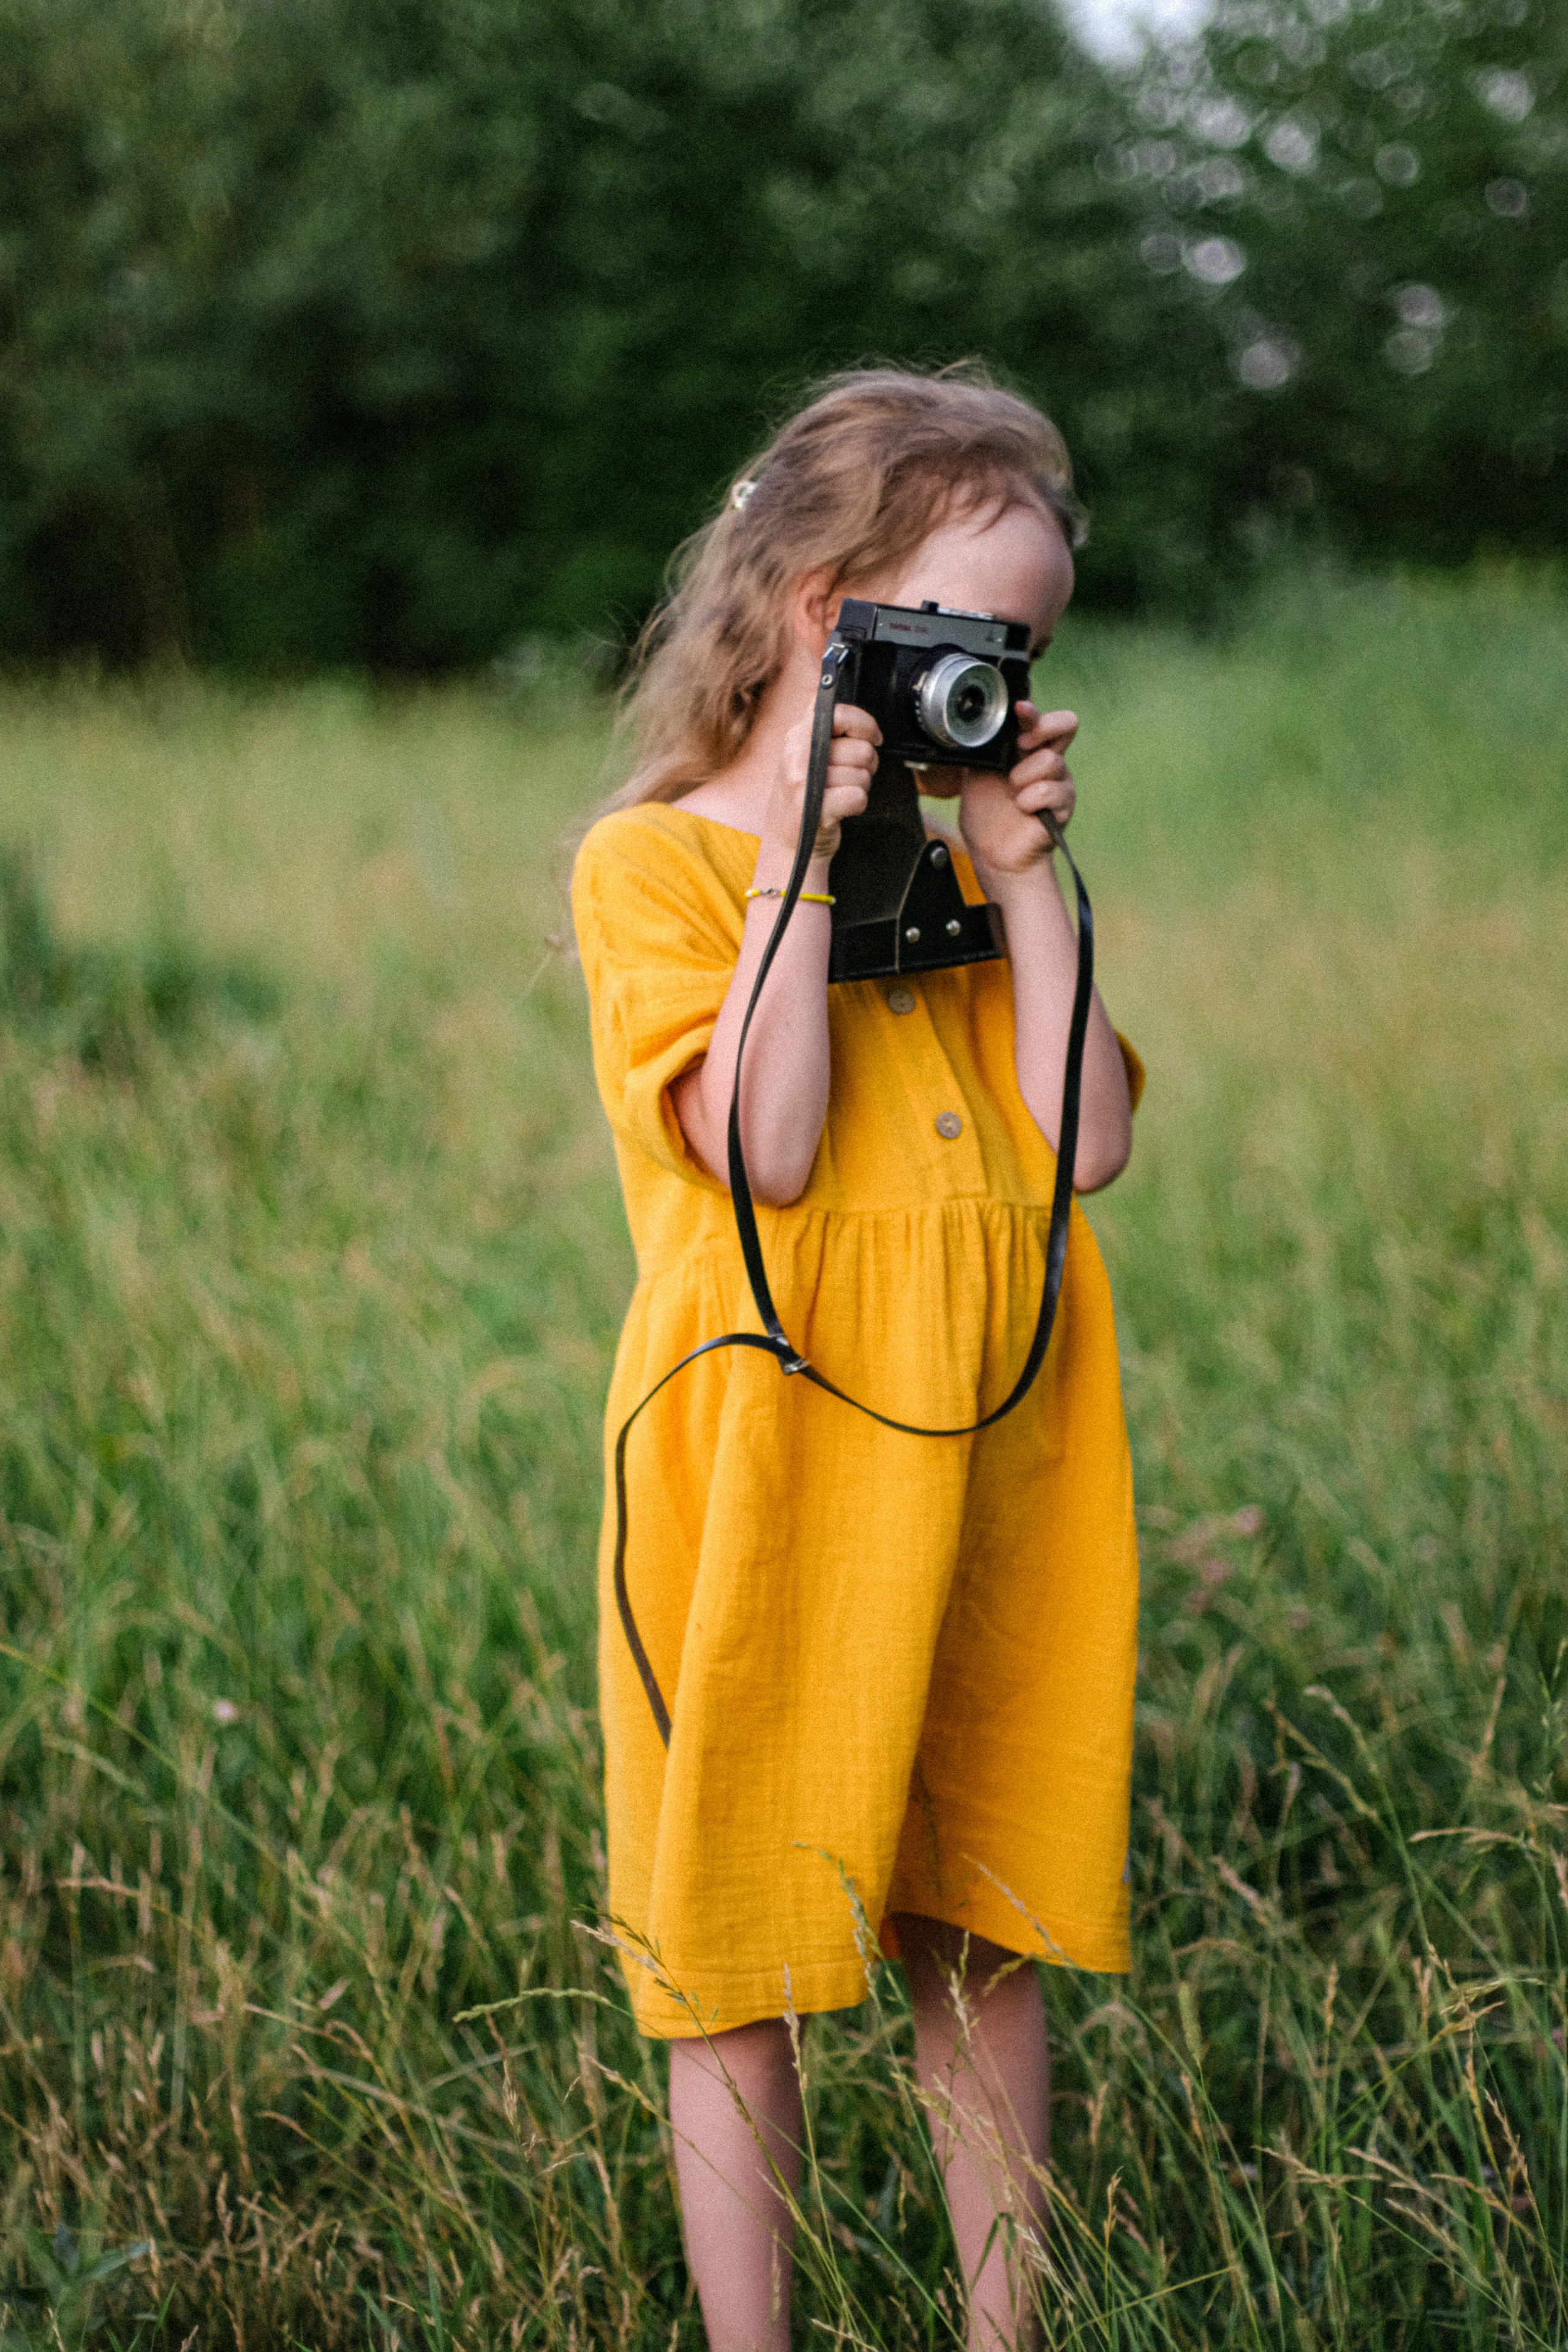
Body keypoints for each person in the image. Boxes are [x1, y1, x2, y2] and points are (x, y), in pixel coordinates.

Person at [571, 365, 1144, 2351]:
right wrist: (807, 862)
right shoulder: (654, 868)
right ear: (831, 614)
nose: (990, 685)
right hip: (770, 1469)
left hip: (996, 1463)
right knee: (736, 1945)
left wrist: (1023, 868)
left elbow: (1086, 1145)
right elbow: (775, 1142)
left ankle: (1010, 2333)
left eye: (1026, 659)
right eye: (965, 644)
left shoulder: (969, 870)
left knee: (979, 1922)